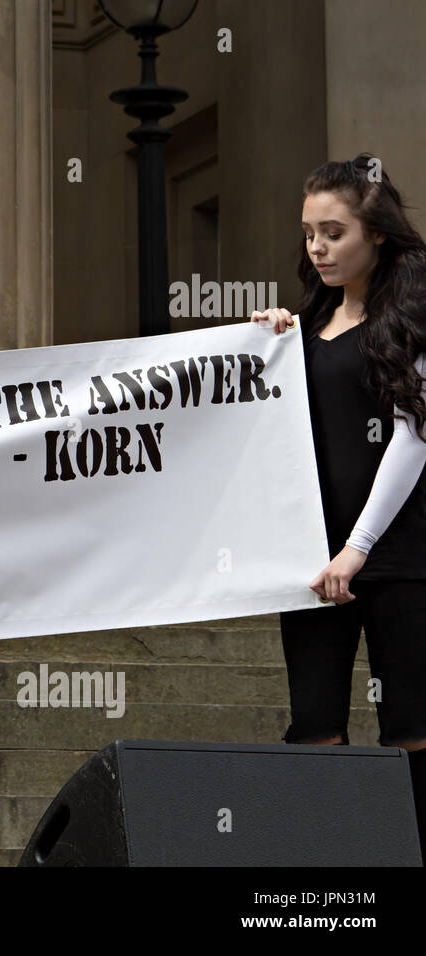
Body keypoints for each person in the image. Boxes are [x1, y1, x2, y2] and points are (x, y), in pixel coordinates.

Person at [252, 153, 426, 859]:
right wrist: (263, 344)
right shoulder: (309, 318)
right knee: (314, 727)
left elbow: (415, 438)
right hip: (311, 560)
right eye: (308, 234)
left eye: (333, 232)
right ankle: (330, 877)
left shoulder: (412, 313)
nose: (317, 248)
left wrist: (358, 547)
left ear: (377, 233)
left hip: (397, 556)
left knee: (410, 727)